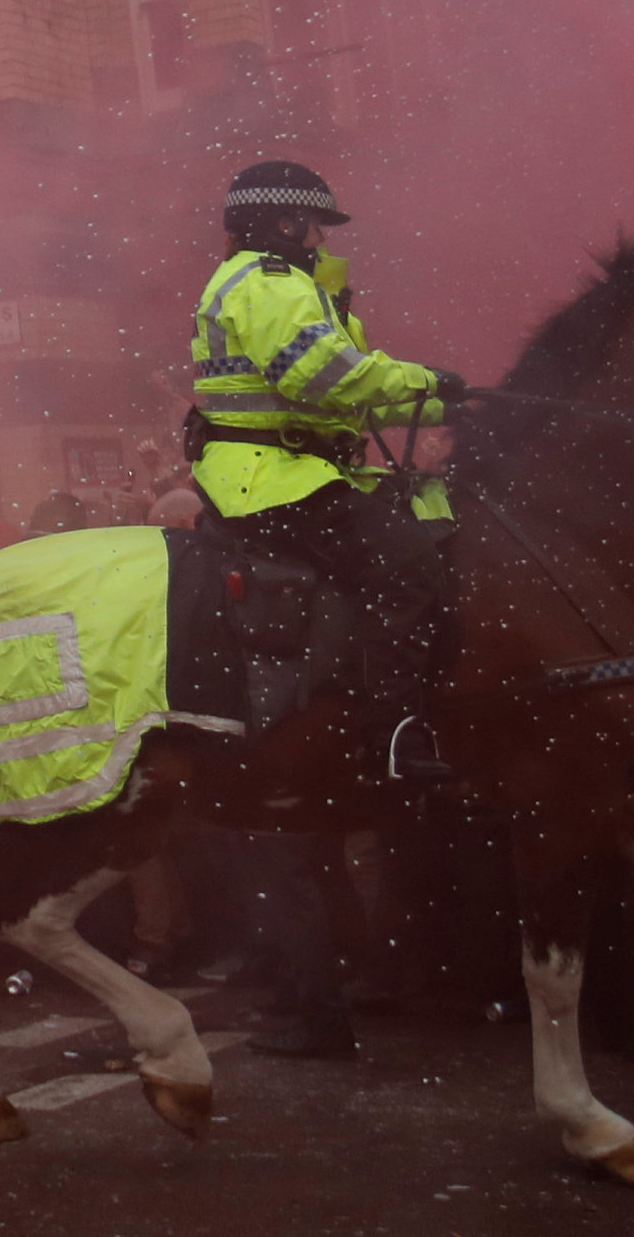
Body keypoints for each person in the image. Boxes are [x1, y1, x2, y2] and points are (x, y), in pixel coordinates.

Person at [187, 159, 464, 777]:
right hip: (274, 478)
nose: (322, 240)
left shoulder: (274, 282)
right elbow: (328, 377)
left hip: (285, 471)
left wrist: (455, 403)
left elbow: (353, 392)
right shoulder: (269, 281)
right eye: (314, 225)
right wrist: (426, 379)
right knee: (407, 563)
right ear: (280, 222)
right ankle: (393, 736)